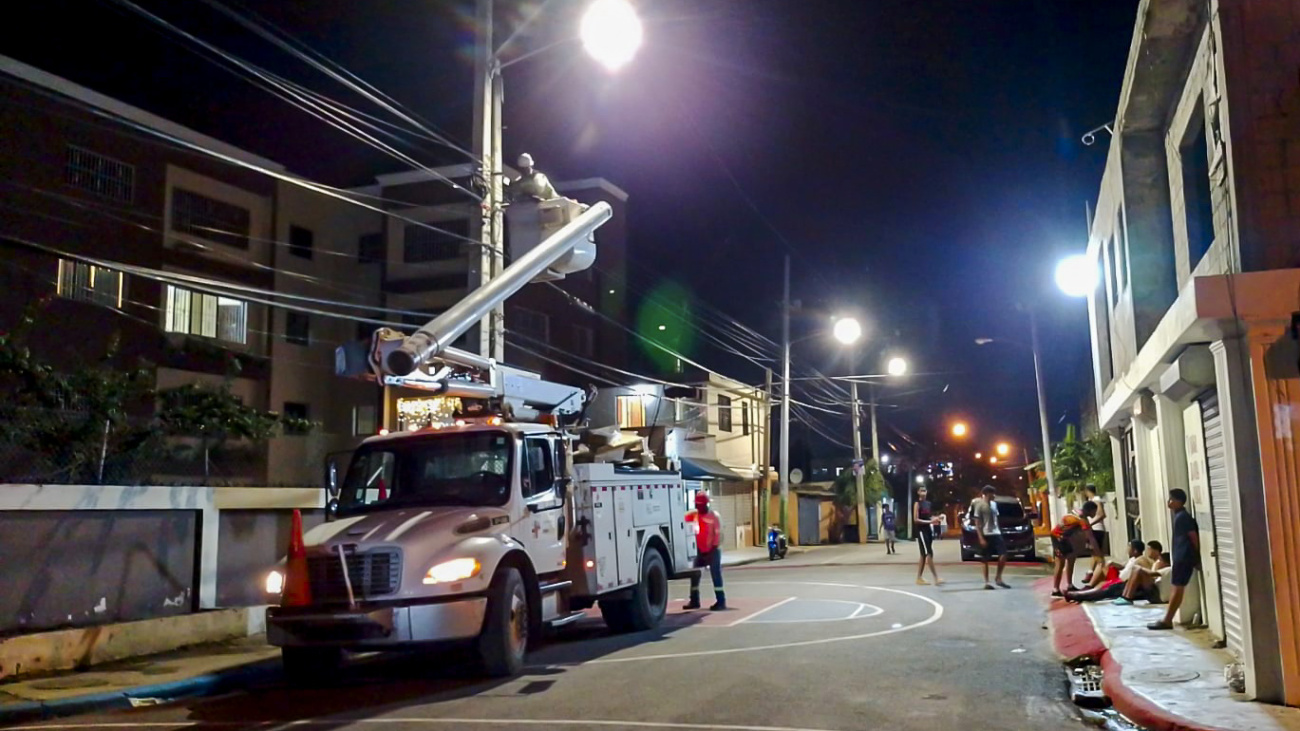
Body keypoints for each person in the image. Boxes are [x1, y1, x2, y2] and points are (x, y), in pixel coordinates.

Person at [1149, 489, 1199, 630]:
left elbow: (1193, 536)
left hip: (1184, 557)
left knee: (1177, 588)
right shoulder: (1178, 516)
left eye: (1171, 499)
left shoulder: (1183, 517)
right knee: (1175, 587)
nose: (1169, 502)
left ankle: (1167, 620)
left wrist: (1196, 555)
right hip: (1180, 556)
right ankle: (1168, 618)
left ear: (1178, 501)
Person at [1065, 539, 1149, 602]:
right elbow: (1124, 566)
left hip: (1121, 581)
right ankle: (1087, 589)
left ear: (1135, 550)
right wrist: (1114, 564)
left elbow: (1147, 571)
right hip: (1120, 578)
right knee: (1101, 566)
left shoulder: (1141, 560)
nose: (1127, 550)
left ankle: (1081, 594)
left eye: (1129, 547)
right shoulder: (1133, 559)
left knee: (1103, 589)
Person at [684, 493, 727, 611]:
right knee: (695, 575)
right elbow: (683, 522)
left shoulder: (714, 517)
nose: (699, 507)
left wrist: (712, 551)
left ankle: (721, 601)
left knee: (716, 575)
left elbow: (718, 535)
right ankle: (694, 600)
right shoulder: (692, 515)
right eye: (697, 505)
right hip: (699, 550)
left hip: (713, 550)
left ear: (706, 504)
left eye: (701, 505)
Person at [1051, 501, 1100, 597]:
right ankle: (1055, 589)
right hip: (1058, 537)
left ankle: (1070, 585)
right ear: (1090, 510)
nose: (1095, 514)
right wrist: (1098, 553)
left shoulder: (1078, 512)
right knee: (1060, 563)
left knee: (1072, 558)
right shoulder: (1082, 519)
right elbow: (1090, 537)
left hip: (1066, 537)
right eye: (1095, 511)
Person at [971, 485, 1010, 590]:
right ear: (987, 494)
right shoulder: (979, 505)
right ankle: (987, 582)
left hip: (996, 533)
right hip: (985, 533)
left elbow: (996, 518)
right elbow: (977, 523)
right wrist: (981, 537)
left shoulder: (994, 504)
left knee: (1003, 554)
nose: (994, 495)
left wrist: (999, 530)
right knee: (985, 559)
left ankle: (998, 577)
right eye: (992, 493)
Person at [1112, 541, 1168, 605]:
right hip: (1153, 587)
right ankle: (1124, 596)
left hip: (1156, 592)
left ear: (1156, 550)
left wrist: (1142, 570)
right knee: (1136, 569)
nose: (1147, 552)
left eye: (1149, 549)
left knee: (1138, 570)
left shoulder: (1160, 562)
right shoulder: (1153, 562)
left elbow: (1155, 574)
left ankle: (1128, 597)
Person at [913, 487, 944, 586]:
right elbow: (916, 519)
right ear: (918, 492)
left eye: (925, 490)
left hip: (928, 531)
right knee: (928, 553)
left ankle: (919, 578)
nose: (923, 492)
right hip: (921, 530)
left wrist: (937, 518)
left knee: (923, 554)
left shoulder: (928, 504)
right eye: (921, 490)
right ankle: (936, 577)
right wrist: (930, 521)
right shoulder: (917, 504)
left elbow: (929, 517)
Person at [1082, 484, 1109, 571]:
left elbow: (1102, 514)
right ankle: (1091, 572)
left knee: (1097, 552)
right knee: (1094, 552)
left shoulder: (1096, 500)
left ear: (1087, 491)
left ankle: (1102, 570)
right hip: (1093, 529)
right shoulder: (1091, 500)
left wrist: (1090, 524)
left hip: (1097, 529)